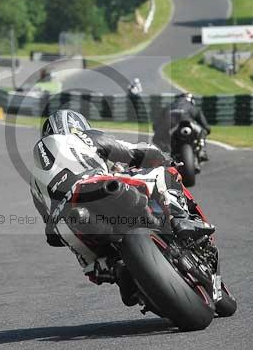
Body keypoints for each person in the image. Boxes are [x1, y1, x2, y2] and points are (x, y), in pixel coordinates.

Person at [29, 109, 215, 305]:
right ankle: (178, 219)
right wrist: (164, 158)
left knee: (96, 263)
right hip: (98, 186)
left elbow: (51, 235)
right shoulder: (82, 136)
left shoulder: (34, 181)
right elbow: (132, 151)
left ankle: (118, 270)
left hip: (68, 222)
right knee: (162, 173)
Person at [152, 92, 211, 160]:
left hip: (170, 126)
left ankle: (166, 152)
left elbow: (155, 125)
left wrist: (158, 130)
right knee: (202, 131)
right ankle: (202, 150)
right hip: (188, 124)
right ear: (192, 100)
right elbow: (205, 125)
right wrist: (207, 130)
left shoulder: (168, 107)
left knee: (156, 139)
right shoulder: (193, 107)